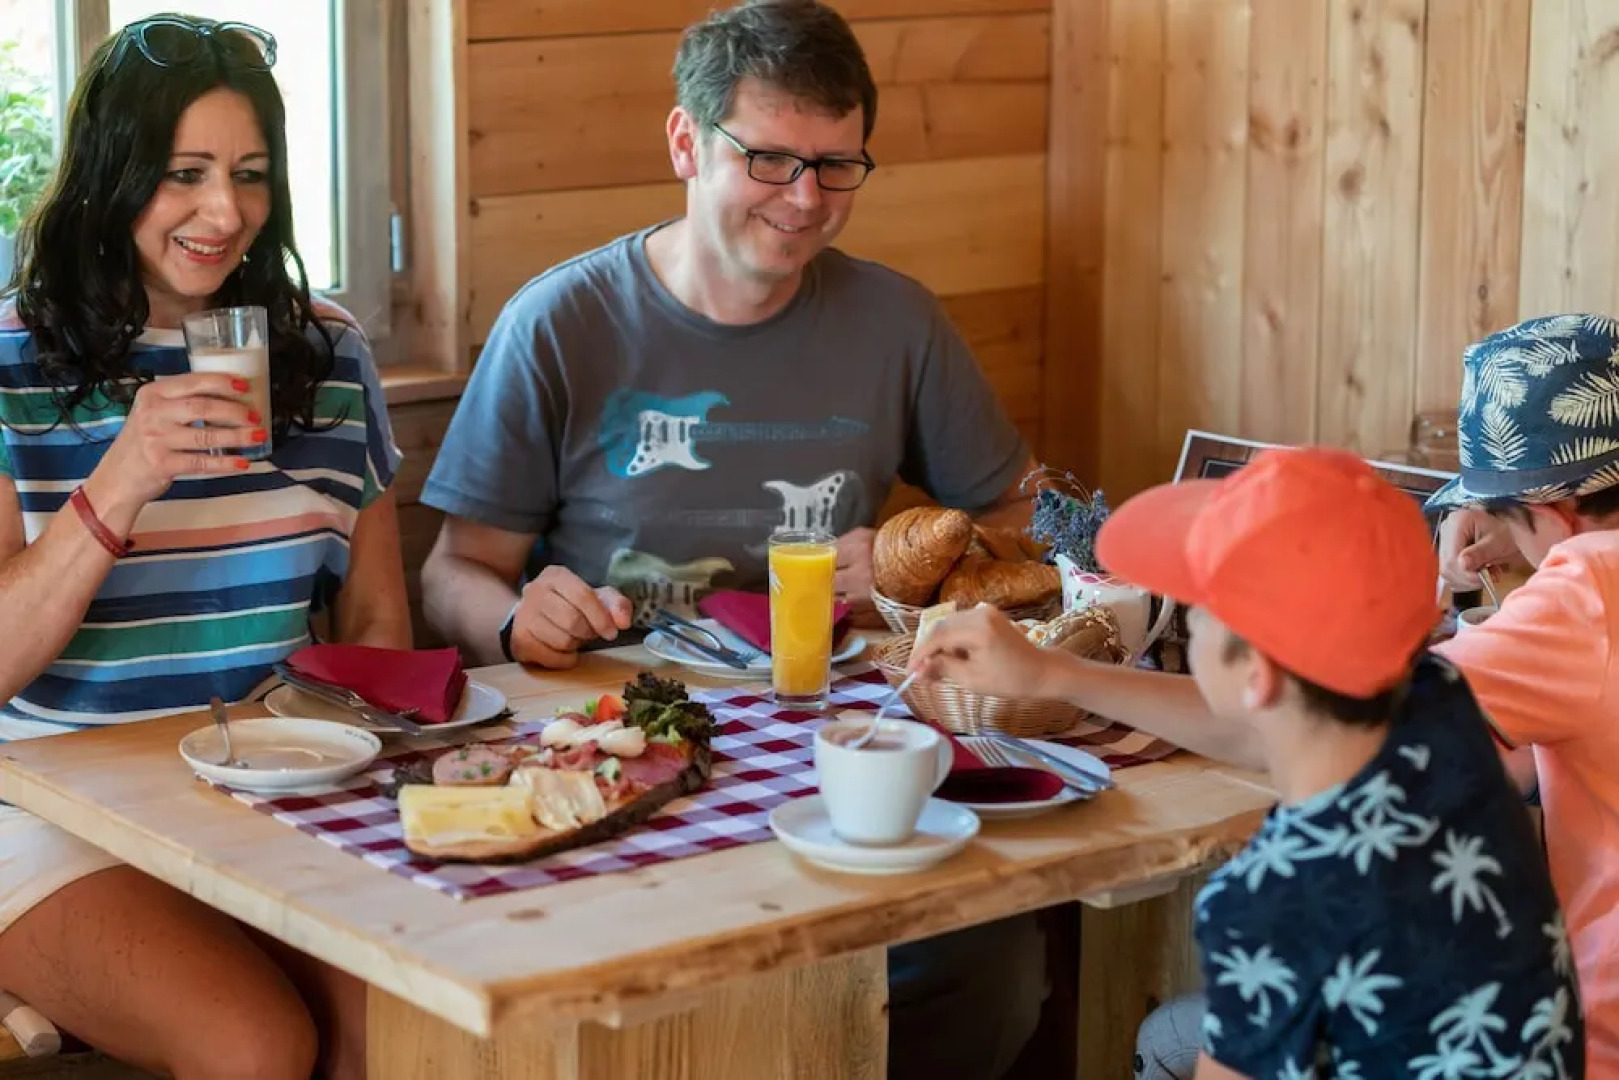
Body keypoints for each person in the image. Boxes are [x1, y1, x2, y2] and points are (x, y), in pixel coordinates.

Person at [418, 3, 1048, 1076]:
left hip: (841, 734)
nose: (804, 201)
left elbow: (1021, 522)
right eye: (767, 160)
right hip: (626, 746)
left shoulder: (897, 322)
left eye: (835, 167)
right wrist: (522, 613)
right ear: (684, 142)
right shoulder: (558, 322)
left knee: (989, 962)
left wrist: (917, 553)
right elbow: (452, 573)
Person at [0, 14, 408, 1078]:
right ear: (110, 173)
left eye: (250, 174)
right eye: (183, 173)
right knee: (254, 1044)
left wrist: (382, 767)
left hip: (271, 781)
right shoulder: (9, 363)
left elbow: (373, 628)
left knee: (407, 1027)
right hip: (41, 796)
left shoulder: (327, 353)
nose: (223, 212)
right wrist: (124, 476)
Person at [912, 445, 1585, 1078]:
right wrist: (1055, 675)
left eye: (1197, 613)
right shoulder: (1438, 709)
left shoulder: (1271, 904)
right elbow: (1271, 729)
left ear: (1256, 674)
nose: (1188, 624)